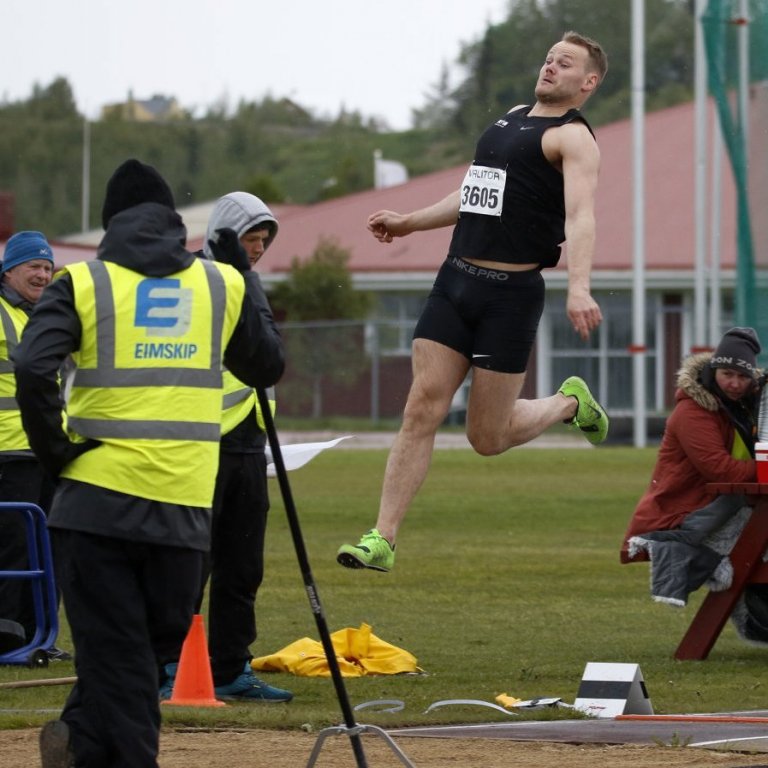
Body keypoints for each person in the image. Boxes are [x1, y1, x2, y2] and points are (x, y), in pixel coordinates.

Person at [15, 159, 284, 768]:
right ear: (172, 221)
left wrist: (58, 454)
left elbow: (34, 369)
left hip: (93, 505)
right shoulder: (223, 284)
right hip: (185, 513)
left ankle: (89, 742)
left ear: (110, 224)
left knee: (120, 655)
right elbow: (268, 367)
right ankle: (83, 747)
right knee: (139, 650)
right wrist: (243, 275)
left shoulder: (82, 282)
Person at [337, 31, 610, 572]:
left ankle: (568, 403)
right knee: (422, 407)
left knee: (487, 437)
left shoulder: (573, 138)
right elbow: (473, 194)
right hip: (455, 282)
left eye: (565, 62)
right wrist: (408, 221)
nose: (550, 65)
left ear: (589, 82)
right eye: (549, 56)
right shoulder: (509, 119)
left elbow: (581, 216)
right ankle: (382, 538)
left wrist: (578, 287)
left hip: (511, 298)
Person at [159, 192, 292, 703]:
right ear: (224, 235)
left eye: (262, 242)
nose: (257, 250)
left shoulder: (246, 281)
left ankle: (232, 665)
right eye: (250, 239)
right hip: (201, 442)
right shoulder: (197, 282)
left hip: (248, 445)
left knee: (242, 565)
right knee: (192, 560)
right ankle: (171, 662)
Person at [621, 327, 763, 606]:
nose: (734, 383)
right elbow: (721, 471)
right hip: (682, 511)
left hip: (723, 502)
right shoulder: (692, 412)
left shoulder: (746, 406)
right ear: (713, 371)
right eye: (727, 374)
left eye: (743, 377)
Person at [0, 231, 71, 660]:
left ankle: (40, 636)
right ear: (9, 271)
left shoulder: (44, 315)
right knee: (14, 546)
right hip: (8, 450)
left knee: (51, 545)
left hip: (46, 448)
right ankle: (9, 634)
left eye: (47, 267)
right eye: (34, 267)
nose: (43, 274)